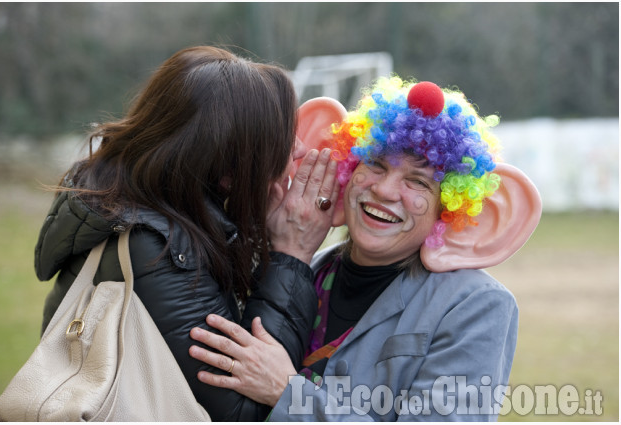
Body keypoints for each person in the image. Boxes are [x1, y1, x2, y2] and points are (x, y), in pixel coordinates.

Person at [188, 76, 542, 420]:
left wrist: (288, 392)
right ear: (345, 169)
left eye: (417, 181)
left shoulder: (475, 305)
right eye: (375, 163)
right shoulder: (305, 272)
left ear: (448, 209)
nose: (385, 190)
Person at [34, 45, 341, 421]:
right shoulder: (158, 248)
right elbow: (244, 410)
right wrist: (291, 254)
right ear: (227, 166)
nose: (296, 148)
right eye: (277, 138)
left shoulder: (130, 204)